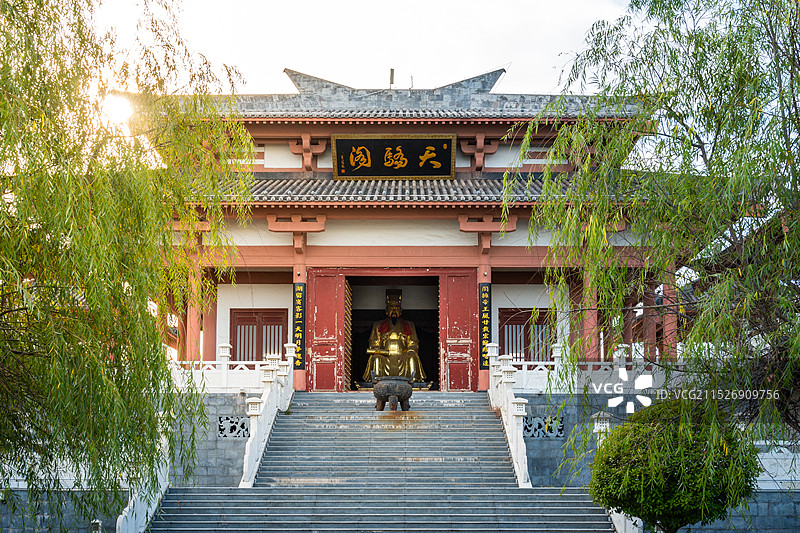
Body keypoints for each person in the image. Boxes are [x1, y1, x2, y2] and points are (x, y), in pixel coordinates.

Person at [362, 290, 426, 382]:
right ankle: (376, 380)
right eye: (391, 307)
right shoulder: (378, 325)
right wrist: (378, 350)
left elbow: (413, 342)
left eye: (396, 307)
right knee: (376, 358)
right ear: (387, 310)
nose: (394, 310)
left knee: (413, 358)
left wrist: (411, 350)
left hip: (403, 355)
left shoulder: (409, 325)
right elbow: (374, 342)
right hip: (384, 355)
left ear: (401, 310)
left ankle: (413, 380)